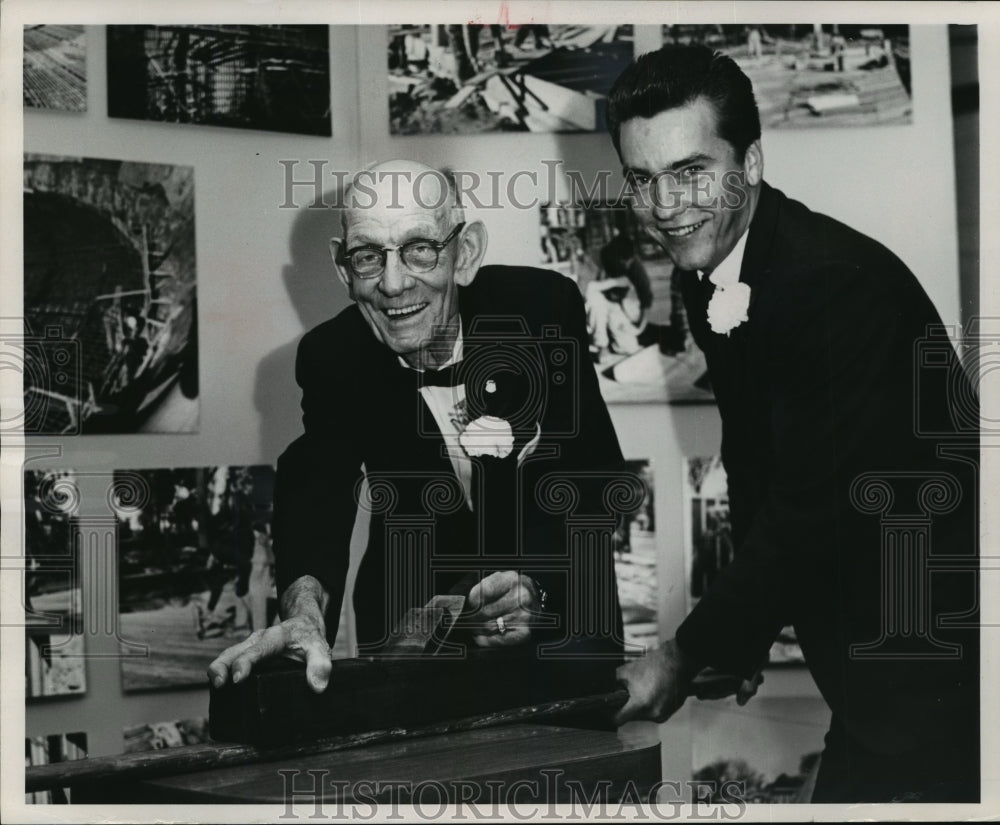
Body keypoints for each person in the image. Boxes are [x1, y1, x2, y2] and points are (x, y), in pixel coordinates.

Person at [606, 45, 978, 803]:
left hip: (940, 661)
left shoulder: (831, 289)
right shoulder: (709, 265)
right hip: (877, 662)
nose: (664, 206)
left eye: (691, 172)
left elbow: (811, 512)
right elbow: (755, 461)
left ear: (752, 161)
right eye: (642, 180)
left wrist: (685, 652)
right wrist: (743, 640)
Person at [209, 160, 625, 694]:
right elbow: (319, 484)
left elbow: (593, 475)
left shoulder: (544, 308)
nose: (394, 283)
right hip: (417, 637)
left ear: (465, 252)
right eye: (367, 257)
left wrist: (535, 585)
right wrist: (304, 610)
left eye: (420, 248)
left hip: (564, 630)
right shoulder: (331, 355)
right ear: (342, 268)